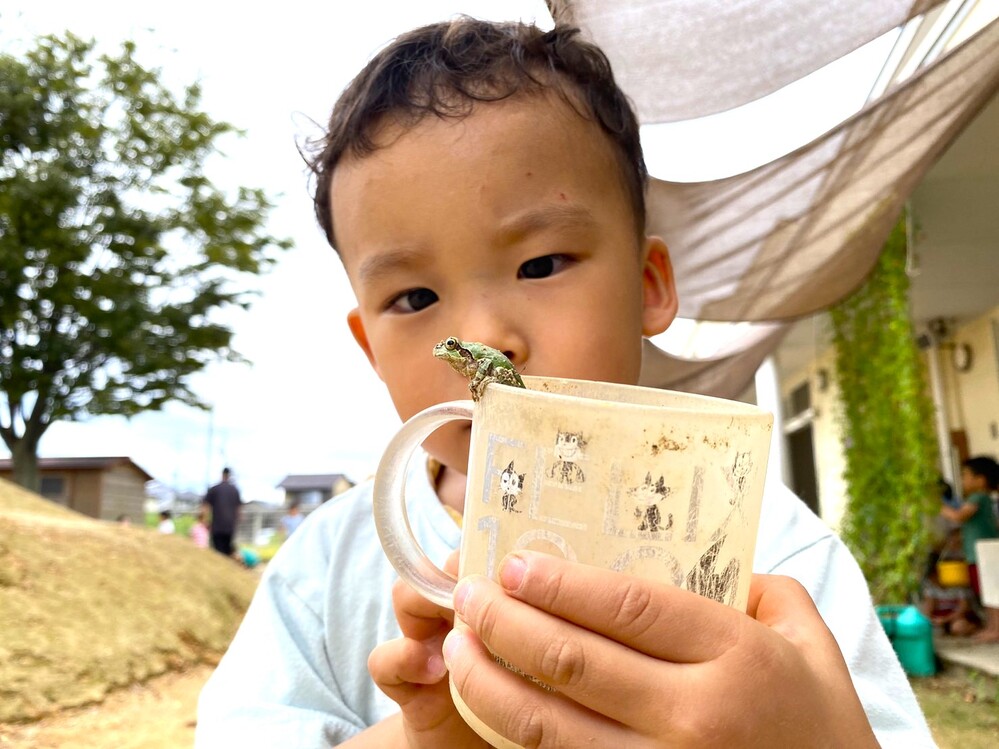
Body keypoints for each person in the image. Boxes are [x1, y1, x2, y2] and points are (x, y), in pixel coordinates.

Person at [196, 19, 933, 747]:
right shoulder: (322, 570)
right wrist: (427, 741)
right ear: (370, 348)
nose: (482, 340)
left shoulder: (768, 550)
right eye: (414, 299)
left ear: (647, 286)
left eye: (541, 264)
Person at [940, 456, 999, 643]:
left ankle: (996, 628)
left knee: (991, 592)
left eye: (965, 475)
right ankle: (991, 626)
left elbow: (959, 516)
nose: (962, 480)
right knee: (985, 592)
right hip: (979, 554)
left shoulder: (978, 497)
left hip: (984, 554)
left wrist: (938, 506)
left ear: (980, 480)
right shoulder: (983, 498)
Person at [203, 467, 242, 556]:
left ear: (222, 475)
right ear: (229, 475)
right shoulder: (235, 490)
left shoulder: (214, 489)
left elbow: (205, 506)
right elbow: (239, 509)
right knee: (227, 551)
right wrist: (237, 521)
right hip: (230, 526)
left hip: (217, 526)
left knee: (218, 553)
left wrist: (205, 520)